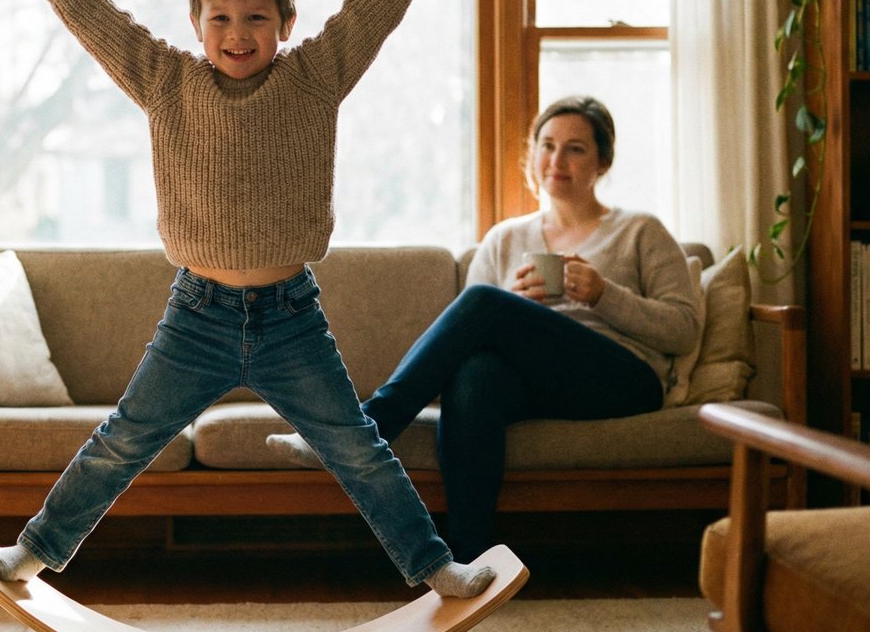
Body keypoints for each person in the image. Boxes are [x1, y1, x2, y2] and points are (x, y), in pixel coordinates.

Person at [0, 0, 502, 597]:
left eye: (256, 18)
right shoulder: (166, 80)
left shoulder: (315, 75)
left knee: (357, 448)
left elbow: (375, 4)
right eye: (220, 18)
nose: (237, 33)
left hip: (290, 317)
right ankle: (34, 550)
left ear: (286, 25)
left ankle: (433, 565)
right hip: (197, 315)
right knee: (122, 440)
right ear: (197, 25)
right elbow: (103, 24)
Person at [269, 95, 700, 562]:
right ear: (532, 156)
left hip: (622, 379)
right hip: (538, 384)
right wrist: (515, 307)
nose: (557, 159)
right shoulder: (506, 239)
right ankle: (469, 564)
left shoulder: (639, 230)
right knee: (476, 377)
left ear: (603, 161)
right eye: (547, 145)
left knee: (482, 303)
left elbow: (683, 329)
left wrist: (602, 294)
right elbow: (471, 341)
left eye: (575, 148)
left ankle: (361, 431)